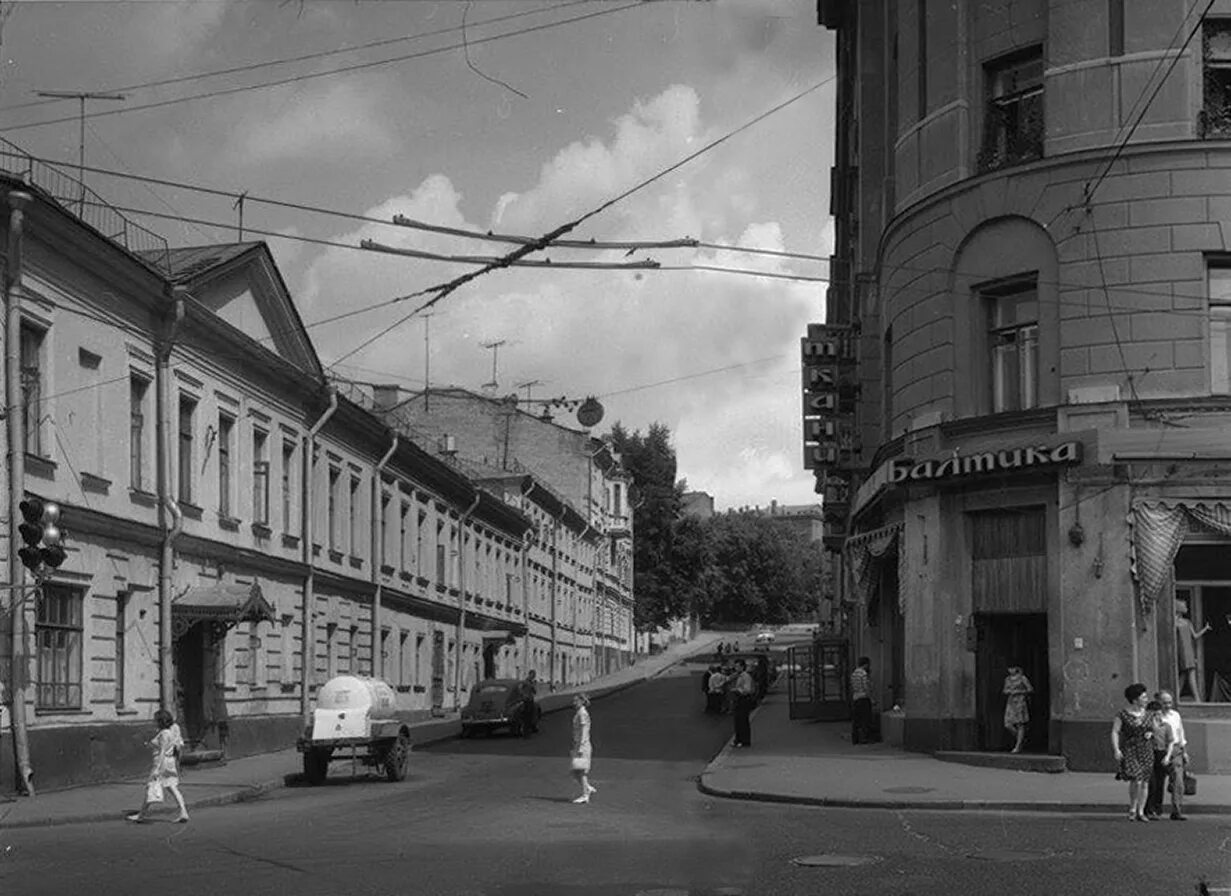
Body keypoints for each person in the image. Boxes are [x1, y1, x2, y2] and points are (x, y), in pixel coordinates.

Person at [128, 708, 189, 824]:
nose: (154, 721)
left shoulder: (164, 734)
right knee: (172, 787)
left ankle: (141, 815)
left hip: (162, 763)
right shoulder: (169, 732)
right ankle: (183, 812)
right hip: (169, 762)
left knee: (151, 786)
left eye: (156, 720)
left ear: (161, 721)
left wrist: (156, 769)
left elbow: (162, 751)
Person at [1111, 682, 1154, 822]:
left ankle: (1141, 811)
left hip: (1146, 749)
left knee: (1145, 781)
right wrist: (1116, 749)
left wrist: (1150, 733)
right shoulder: (1123, 714)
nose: (1146, 699)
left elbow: (1154, 729)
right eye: (1143, 697)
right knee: (1136, 779)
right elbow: (1115, 731)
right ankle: (1132, 808)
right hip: (1131, 749)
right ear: (1135, 699)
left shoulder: (1149, 714)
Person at [1152, 690, 1189, 821]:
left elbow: (1180, 732)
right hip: (1161, 750)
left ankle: (1177, 810)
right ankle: (1156, 809)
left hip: (1176, 750)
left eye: (1170, 702)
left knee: (1178, 781)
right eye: (1165, 703)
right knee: (1158, 781)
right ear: (1159, 703)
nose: (1168, 705)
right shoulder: (1155, 717)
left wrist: (1184, 751)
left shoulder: (1175, 715)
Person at [1176, 599, 1212, 702]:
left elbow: (1195, 636)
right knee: (1186, 675)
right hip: (1181, 651)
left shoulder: (1187, 622)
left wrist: (1205, 628)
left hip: (1189, 650)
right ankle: (1197, 700)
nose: (1186, 608)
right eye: (1185, 606)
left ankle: (1192, 699)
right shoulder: (1174, 623)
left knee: (1186, 675)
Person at [569, 693, 596, 804]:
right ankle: (587, 788)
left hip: (582, 745)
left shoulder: (582, 713)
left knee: (580, 771)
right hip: (578, 744)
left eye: (575, 701)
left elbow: (584, 730)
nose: (574, 703)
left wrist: (580, 746)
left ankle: (585, 795)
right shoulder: (580, 713)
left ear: (581, 701)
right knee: (575, 771)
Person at [1002, 664, 1034, 753]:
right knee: (1008, 724)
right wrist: (1008, 691)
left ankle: (1018, 745)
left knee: (1020, 724)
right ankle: (1021, 739)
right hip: (1010, 702)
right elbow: (1004, 690)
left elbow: (1030, 689)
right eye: (1009, 668)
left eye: (1012, 668)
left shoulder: (1022, 678)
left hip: (1020, 702)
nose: (1010, 670)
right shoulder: (1007, 679)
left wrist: (1019, 691)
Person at [731, 659, 756, 748]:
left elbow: (748, 689)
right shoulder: (738, 676)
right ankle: (738, 739)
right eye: (735, 666)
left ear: (742, 667)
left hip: (743, 699)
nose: (736, 668)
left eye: (737, 666)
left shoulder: (746, 676)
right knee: (737, 720)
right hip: (738, 699)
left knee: (743, 720)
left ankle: (745, 740)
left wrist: (738, 690)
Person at [851, 656, 874, 745]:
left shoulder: (854, 673)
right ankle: (864, 738)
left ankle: (855, 739)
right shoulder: (863, 674)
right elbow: (866, 687)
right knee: (865, 719)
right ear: (866, 664)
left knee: (856, 720)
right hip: (864, 698)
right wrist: (871, 698)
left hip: (856, 697)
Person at [520, 669, 540, 734]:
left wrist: (533, 687)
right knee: (527, 716)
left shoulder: (531, 682)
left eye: (534, 675)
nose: (534, 676)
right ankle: (526, 730)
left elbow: (534, 691)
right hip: (527, 700)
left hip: (530, 699)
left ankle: (530, 728)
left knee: (531, 714)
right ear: (530, 674)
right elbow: (521, 690)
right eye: (533, 675)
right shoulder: (525, 682)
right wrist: (524, 695)